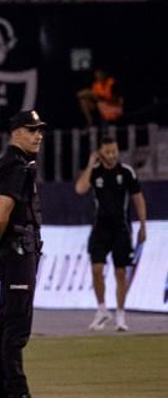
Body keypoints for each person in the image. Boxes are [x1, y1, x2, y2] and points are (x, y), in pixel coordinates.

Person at [0, 111, 59, 398]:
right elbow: (1, 212)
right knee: (16, 324)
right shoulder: (15, 165)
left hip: (13, 250)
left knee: (5, 322)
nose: (38, 135)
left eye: (40, 130)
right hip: (18, 251)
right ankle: (16, 397)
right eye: (31, 129)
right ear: (15, 132)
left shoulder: (9, 163)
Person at [75, 136, 148, 331]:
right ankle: (102, 310)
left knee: (121, 272)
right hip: (100, 228)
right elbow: (80, 188)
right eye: (107, 152)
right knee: (97, 269)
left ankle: (121, 316)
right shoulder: (96, 172)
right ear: (100, 153)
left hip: (121, 229)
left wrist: (143, 225)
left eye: (114, 151)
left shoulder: (126, 172)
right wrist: (91, 164)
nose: (112, 155)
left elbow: (138, 199)